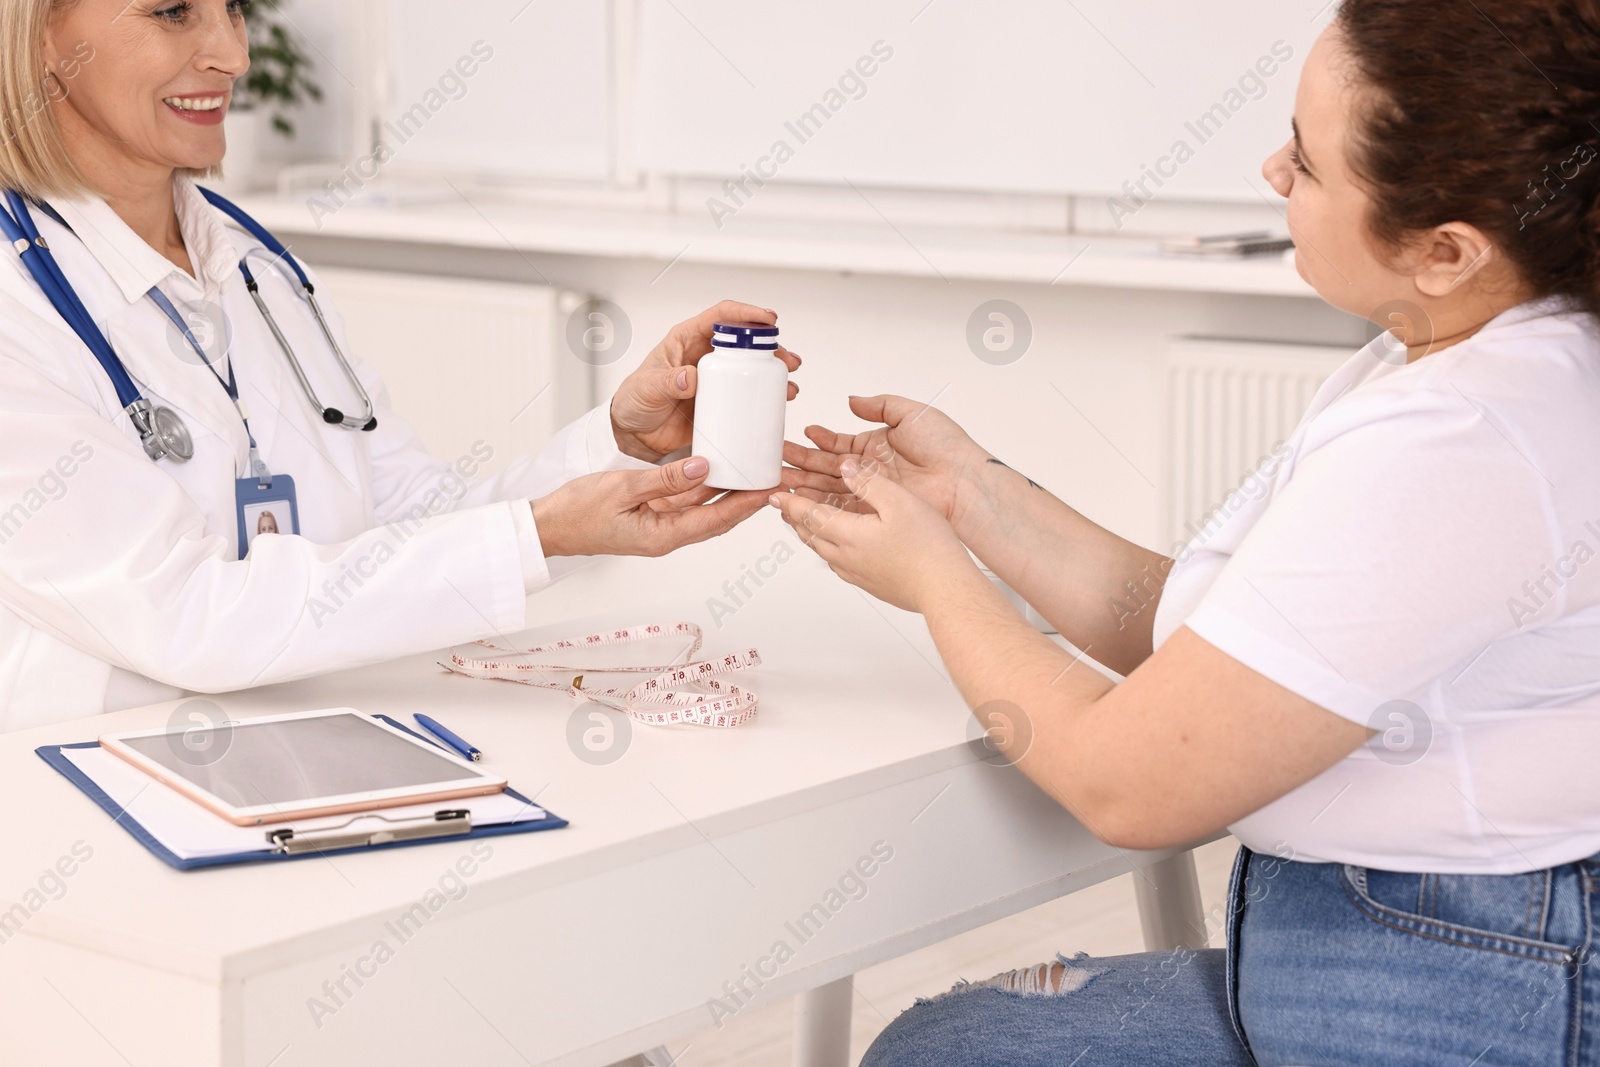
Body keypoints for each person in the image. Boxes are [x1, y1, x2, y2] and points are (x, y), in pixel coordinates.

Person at [774, 0, 1600, 1062]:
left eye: (1305, 163)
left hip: (1455, 987)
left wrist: (936, 581)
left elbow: (1130, 780)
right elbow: (1222, 647)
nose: (1271, 171)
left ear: (1442, 248)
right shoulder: (1488, 351)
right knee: (954, 1036)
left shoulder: (1467, 437)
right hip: (1383, 946)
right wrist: (974, 498)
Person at [0, 0, 799, 732]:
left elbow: (404, 513)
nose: (232, 54)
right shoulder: (17, 306)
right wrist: (536, 535)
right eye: (173, 12)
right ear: (40, 40)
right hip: (92, 791)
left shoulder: (255, 267)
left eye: (233, 8)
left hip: (312, 739)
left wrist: (622, 447)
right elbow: (184, 614)